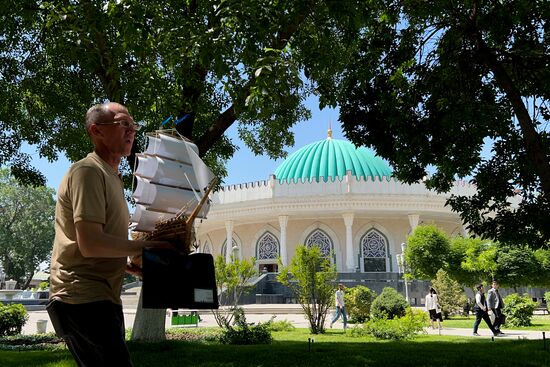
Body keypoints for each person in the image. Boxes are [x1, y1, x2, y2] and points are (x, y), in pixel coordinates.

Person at [47, 102, 174, 367]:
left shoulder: (112, 176)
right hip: (82, 297)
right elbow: (91, 244)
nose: (131, 131)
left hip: (100, 296)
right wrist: (146, 247)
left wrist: (127, 265)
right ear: (96, 130)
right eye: (123, 124)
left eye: (133, 126)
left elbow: (97, 243)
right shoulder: (88, 172)